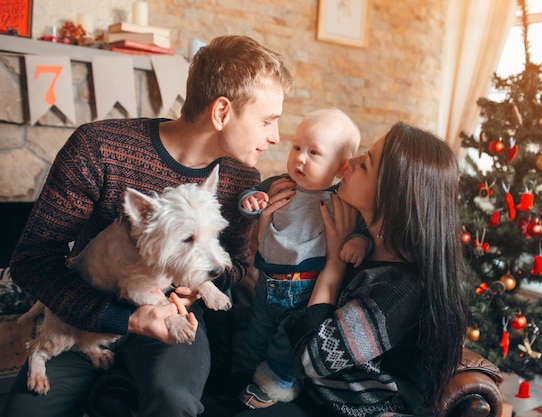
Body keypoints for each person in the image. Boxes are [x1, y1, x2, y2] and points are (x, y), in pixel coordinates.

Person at [3, 35, 293, 417]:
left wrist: (193, 290)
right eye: (268, 121)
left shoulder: (240, 180)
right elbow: (31, 260)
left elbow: (235, 265)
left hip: (172, 319)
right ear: (222, 112)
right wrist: (124, 319)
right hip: (82, 316)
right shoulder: (97, 147)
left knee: (174, 402)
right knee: (26, 412)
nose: (275, 136)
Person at [235, 122, 468, 417]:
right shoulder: (356, 240)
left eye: (366, 163)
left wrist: (334, 263)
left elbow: (310, 358)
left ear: (391, 193)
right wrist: (268, 228)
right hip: (311, 395)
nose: (350, 162)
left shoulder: (399, 289)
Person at [237, 108, 371, 409]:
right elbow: (250, 200)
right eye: (297, 147)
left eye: (314, 153)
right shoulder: (279, 184)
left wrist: (359, 242)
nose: (299, 158)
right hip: (266, 282)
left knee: (286, 341)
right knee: (258, 331)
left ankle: (278, 382)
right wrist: (250, 201)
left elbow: (362, 229)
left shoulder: (341, 200)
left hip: (305, 290)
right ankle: (249, 371)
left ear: (340, 168)